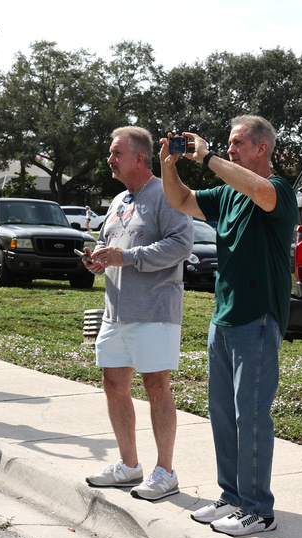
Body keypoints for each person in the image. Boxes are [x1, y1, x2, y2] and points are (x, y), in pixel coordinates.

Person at [159, 115, 297, 536]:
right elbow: (181, 201)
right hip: (224, 316)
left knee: (251, 415)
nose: (230, 149)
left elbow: (259, 192)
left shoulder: (278, 190)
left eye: (238, 144)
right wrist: (168, 165)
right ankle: (234, 497)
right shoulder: (227, 194)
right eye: (228, 144)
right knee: (223, 413)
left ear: (261, 149)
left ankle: (259, 509)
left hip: (257, 317)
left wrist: (210, 156)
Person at [82, 126, 193, 501]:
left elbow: (181, 244)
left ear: (140, 159)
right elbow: (106, 244)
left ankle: (166, 472)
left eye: (116, 153)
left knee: (156, 386)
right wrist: (97, 260)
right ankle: (129, 466)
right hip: (116, 311)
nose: (109, 160)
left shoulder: (165, 194)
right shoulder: (118, 200)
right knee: (113, 383)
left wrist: (127, 258)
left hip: (154, 310)